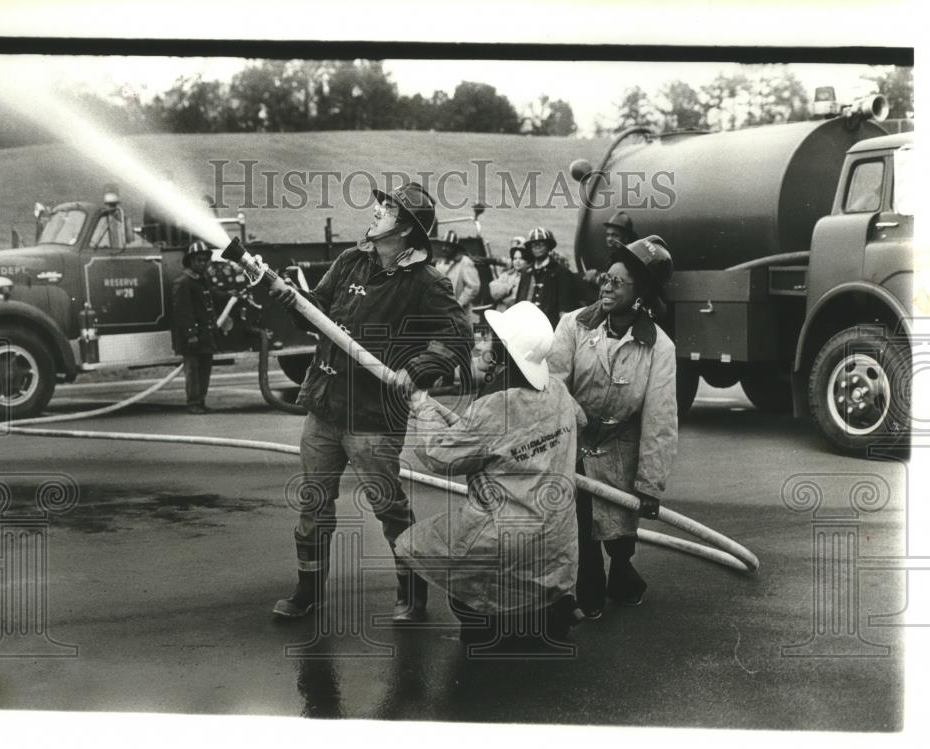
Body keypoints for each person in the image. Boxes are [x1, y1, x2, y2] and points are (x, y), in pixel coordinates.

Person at [266, 182, 474, 622]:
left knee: (387, 504)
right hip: (324, 406)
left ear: (408, 229)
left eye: (389, 207)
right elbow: (317, 309)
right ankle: (308, 591)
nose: (377, 209)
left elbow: (458, 336)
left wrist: (417, 368)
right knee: (313, 502)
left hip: (374, 417)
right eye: (381, 203)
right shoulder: (350, 261)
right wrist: (292, 301)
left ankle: (412, 593)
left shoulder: (425, 282)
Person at [395, 300, 586, 643]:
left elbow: (440, 455)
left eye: (490, 341)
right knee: (538, 570)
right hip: (558, 532)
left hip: (507, 532)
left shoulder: (494, 406)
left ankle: (488, 625)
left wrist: (422, 407)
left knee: (414, 543)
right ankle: (550, 610)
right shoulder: (558, 390)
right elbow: (580, 422)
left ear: (503, 354)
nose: (483, 346)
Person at [548, 235, 679, 620]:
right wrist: (575, 415)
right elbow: (553, 381)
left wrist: (651, 485)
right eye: (605, 278)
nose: (605, 286)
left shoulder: (659, 348)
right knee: (582, 528)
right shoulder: (573, 325)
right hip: (572, 442)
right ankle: (587, 595)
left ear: (641, 295)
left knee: (621, 533)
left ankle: (622, 571)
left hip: (622, 445)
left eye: (617, 282)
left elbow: (660, 420)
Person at [171, 241, 218, 414]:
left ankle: (201, 401)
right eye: (199, 260)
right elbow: (183, 312)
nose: (203, 263)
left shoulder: (202, 281)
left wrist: (231, 295)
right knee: (193, 370)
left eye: (205, 260)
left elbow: (211, 298)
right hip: (191, 337)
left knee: (205, 369)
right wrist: (191, 334)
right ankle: (193, 402)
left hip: (205, 335)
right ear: (190, 261)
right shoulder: (183, 283)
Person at [514, 227, 580, 329]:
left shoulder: (561, 272)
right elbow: (519, 303)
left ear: (549, 246)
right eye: (534, 244)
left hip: (551, 328)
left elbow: (565, 308)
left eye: (541, 243)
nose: (537, 247)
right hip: (525, 328)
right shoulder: (526, 273)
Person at [435, 230, 481, 326]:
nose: (444, 248)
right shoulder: (440, 263)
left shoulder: (465, 262)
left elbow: (473, 286)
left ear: (455, 247)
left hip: (460, 314)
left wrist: (459, 303)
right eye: (443, 245)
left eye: (448, 246)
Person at [487, 236, 528, 312]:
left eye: (521, 258)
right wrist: (507, 288)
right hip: (502, 312)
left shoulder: (529, 277)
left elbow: (512, 300)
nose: (517, 261)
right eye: (515, 258)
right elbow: (493, 291)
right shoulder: (507, 275)